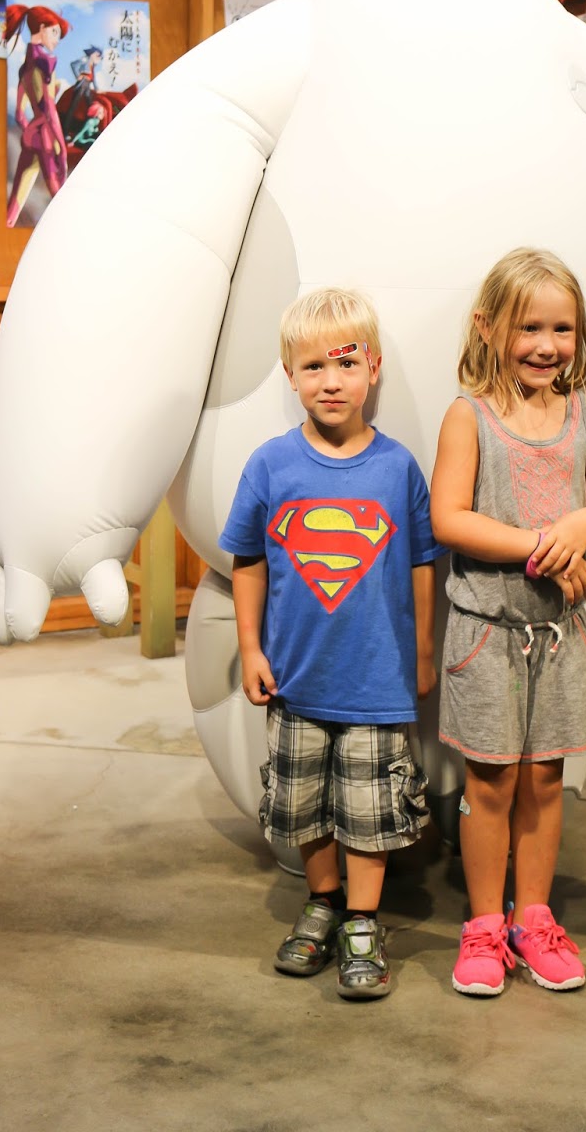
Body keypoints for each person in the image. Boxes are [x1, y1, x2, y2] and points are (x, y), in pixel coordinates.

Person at [219, 288, 439, 1002]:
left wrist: (425, 651)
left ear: (373, 368)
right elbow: (247, 560)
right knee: (304, 803)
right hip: (296, 681)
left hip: (378, 682)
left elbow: (422, 563)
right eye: (313, 366)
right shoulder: (270, 466)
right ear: (290, 375)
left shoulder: (398, 468)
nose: (331, 380)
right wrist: (251, 648)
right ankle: (322, 903)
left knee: (370, 810)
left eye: (346, 363)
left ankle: (364, 921)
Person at [430, 247, 586, 997]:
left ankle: (532, 919)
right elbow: (451, 519)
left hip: (563, 637)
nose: (547, 346)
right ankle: (484, 925)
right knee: (490, 782)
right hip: (486, 634)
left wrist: (581, 523)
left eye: (562, 329)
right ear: (487, 327)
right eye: (529, 328)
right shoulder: (468, 417)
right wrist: (547, 548)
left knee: (545, 779)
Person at [4, 3, 71, 227]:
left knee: (16, 199)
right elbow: (49, 109)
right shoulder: (46, 62)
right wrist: (59, 142)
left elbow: (19, 113)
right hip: (46, 134)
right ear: (41, 28)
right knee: (59, 194)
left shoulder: (25, 67)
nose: (56, 40)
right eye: (54, 32)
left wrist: (30, 130)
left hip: (32, 132)